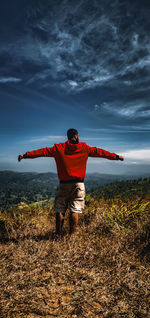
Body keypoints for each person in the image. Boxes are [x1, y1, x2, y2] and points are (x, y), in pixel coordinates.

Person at [18, 128, 124, 237]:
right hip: (78, 183)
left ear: (68, 136)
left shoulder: (58, 148)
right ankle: (71, 236)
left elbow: (41, 152)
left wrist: (25, 155)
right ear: (77, 136)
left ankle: (58, 235)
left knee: (60, 209)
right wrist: (116, 157)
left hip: (64, 183)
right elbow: (101, 153)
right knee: (75, 209)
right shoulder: (84, 148)